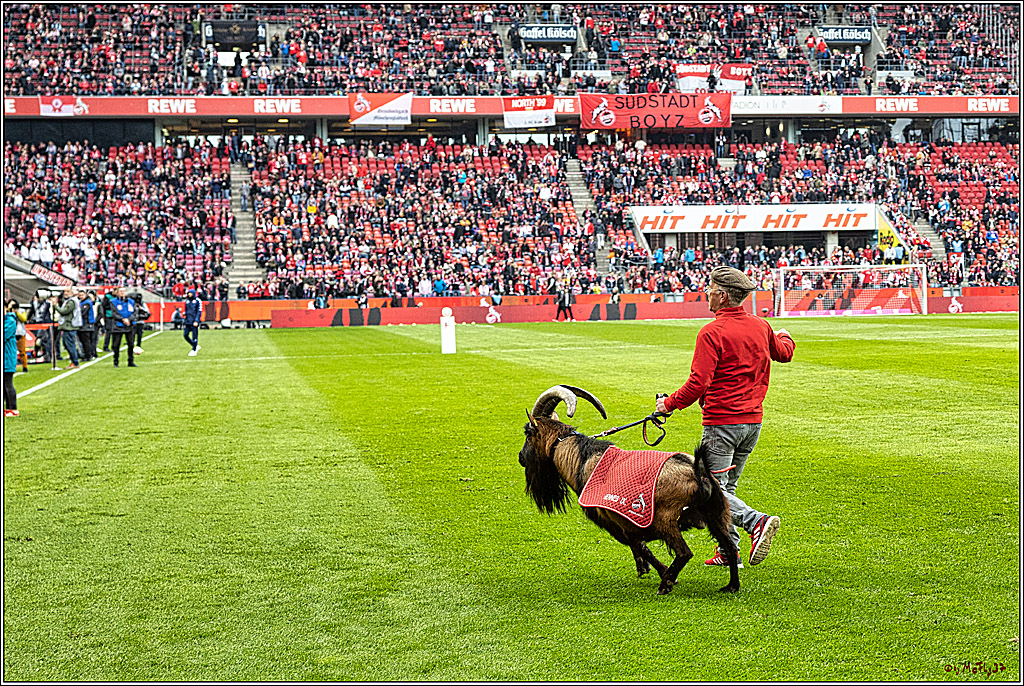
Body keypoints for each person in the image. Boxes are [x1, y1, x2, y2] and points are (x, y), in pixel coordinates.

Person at [655, 266, 795, 568]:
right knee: (726, 487)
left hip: (722, 423)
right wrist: (785, 336)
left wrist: (668, 405)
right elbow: (784, 353)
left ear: (721, 295)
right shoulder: (761, 325)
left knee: (712, 491)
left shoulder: (711, 332)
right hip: (752, 423)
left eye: (710, 288)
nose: (706, 292)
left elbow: (698, 383)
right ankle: (729, 552)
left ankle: (757, 522)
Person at [51, 287, 81, 369]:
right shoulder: (69, 301)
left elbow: (64, 311)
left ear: (72, 293)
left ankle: (75, 362)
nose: (65, 293)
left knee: (70, 345)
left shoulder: (71, 302)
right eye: (65, 291)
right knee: (66, 344)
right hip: (68, 326)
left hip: (70, 326)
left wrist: (55, 306)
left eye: (68, 291)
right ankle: (73, 361)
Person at [109, 287, 137, 367]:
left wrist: (129, 320)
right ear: (117, 292)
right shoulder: (113, 302)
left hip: (129, 325)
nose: (122, 293)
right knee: (116, 345)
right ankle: (116, 361)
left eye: (123, 291)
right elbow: (114, 314)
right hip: (118, 326)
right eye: (120, 291)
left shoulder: (131, 301)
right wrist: (123, 320)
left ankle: (130, 361)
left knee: (131, 344)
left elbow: (134, 312)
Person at [4, 300, 19, 416]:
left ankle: (13, 408)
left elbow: (4, 335)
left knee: (8, 383)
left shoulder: (10, 321)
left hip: (8, 356)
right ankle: (7, 408)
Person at [77, 290, 96, 361]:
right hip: (82, 324)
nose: (81, 296)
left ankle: (88, 355)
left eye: (82, 295)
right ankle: (86, 354)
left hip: (86, 324)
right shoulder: (81, 302)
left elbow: (82, 312)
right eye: (80, 295)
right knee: (83, 341)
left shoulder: (87, 303)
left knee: (86, 341)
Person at [183, 288, 202, 356]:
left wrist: (196, 320)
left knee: (194, 336)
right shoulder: (187, 301)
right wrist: (185, 314)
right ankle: (195, 346)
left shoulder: (198, 301)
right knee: (185, 335)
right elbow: (186, 310)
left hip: (194, 321)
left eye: (190, 293)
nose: (189, 294)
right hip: (188, 321)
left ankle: (194, 350)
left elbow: (199, 312)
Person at [12, 300, 28, 372]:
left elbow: (23, 319)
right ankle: (12, 367)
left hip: (21, 333)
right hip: (12, 333)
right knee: (12, 352)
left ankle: (25, 366)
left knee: (22, 351)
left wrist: (17, 313)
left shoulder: (22, 311)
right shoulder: (8, 312)